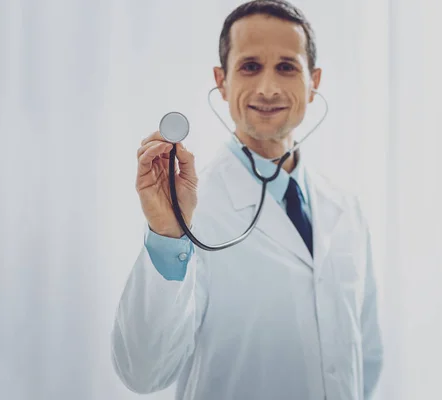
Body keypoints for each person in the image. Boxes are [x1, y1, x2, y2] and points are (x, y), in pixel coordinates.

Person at [110, 1, 383, 399]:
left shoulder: (346, 209)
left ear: (314, 81)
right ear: (221, 81)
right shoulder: (190, 211)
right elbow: (143, 372)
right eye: (250, 66)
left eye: (287, 67)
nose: (268, 88)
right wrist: (167, 235)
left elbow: (366, 359)